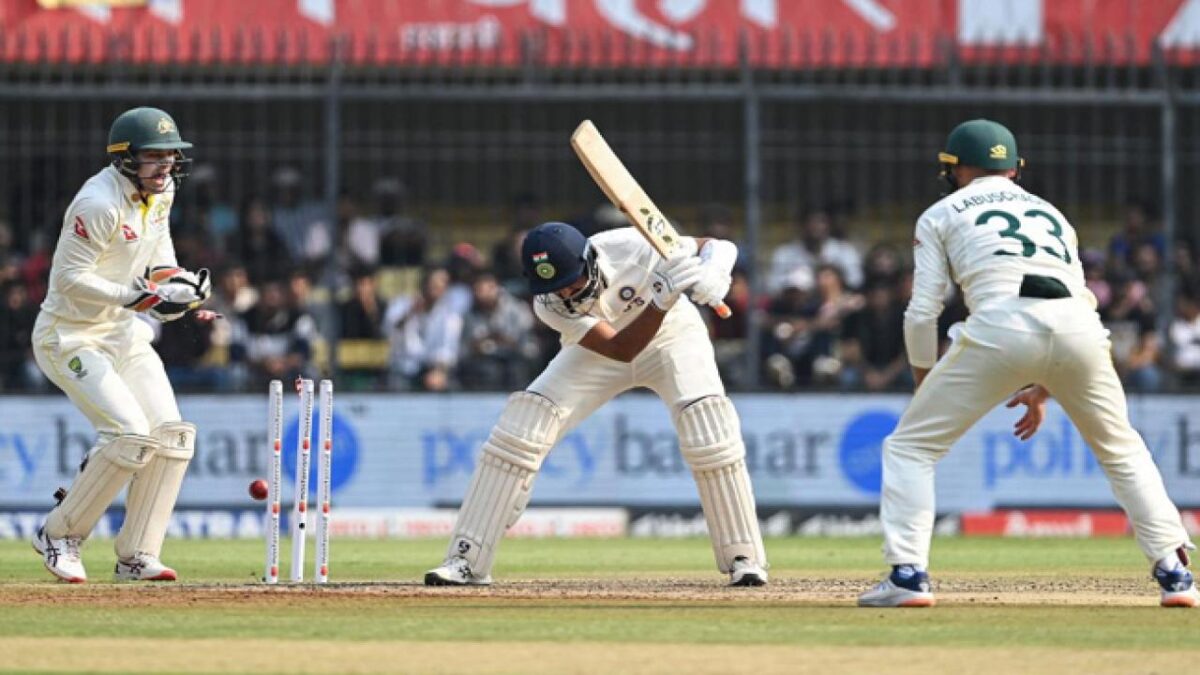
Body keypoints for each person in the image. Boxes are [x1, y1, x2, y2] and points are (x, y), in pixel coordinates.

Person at [857, 119, 1199, 608]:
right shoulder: (1054, 215)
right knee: (1123, 450)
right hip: (1079, 328)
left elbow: (922, 310)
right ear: (1015, 169)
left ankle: (908, 575)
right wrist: (1048, 381)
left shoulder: (940, 212)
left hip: (1000, 326)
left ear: (956, 169)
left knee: (910, 447)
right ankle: (1175, 573)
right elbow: (1076, 297)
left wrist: (922, 377)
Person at [425, 222, 768, 587]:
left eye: (572, 281)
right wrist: (658, 298)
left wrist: (712, 271)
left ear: (588, 258)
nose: (569, 293)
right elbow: (622, 349)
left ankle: (743, 558)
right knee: (524, 423)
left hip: (674, 336)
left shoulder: (631, 244)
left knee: (708, 426)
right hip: (608, 345)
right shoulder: (549, 306)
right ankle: (467, 559)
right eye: (557, 287)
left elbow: (715, 245)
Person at [30, 107, 213, 583]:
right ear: (125, 158)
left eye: (171, 157)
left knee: (173, 436)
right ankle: (59, 534)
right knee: (129, 434)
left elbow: (159, 257)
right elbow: (69, 279)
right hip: (69, 334)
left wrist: (181, 284)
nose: (166, 167)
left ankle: (137, 555)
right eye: (154, 157)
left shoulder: (163, 190)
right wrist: (136, 296)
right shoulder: (98, 203)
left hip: (122, 332)